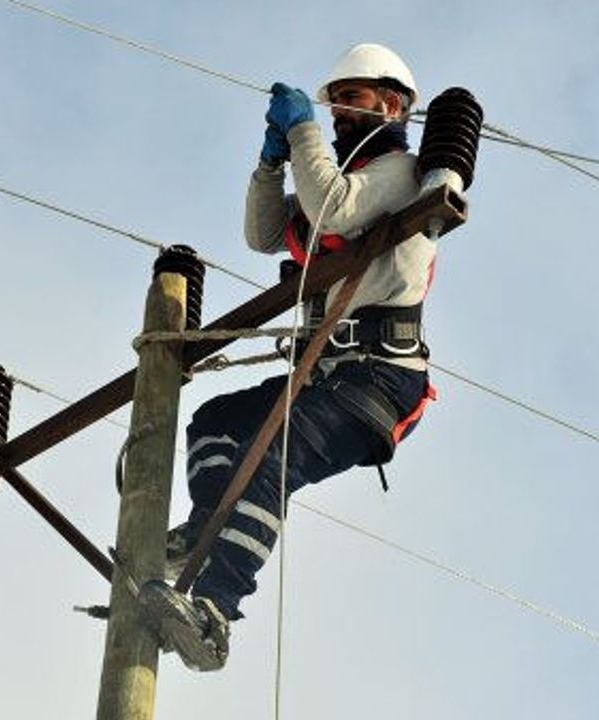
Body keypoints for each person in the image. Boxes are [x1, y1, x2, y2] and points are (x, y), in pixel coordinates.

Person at [139, 43, 441, 672]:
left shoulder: (400, 173)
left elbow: (334, 208)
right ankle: (208, 527)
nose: (338, 112)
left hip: (379, 379)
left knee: (272, 457)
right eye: (332, 103)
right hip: (330, 375)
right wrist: (269, 163)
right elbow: (264, 234)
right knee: (217, 423)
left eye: (350, 98)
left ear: (392, 105)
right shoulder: (332, 179)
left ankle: (216, 613)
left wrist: (303, 130)